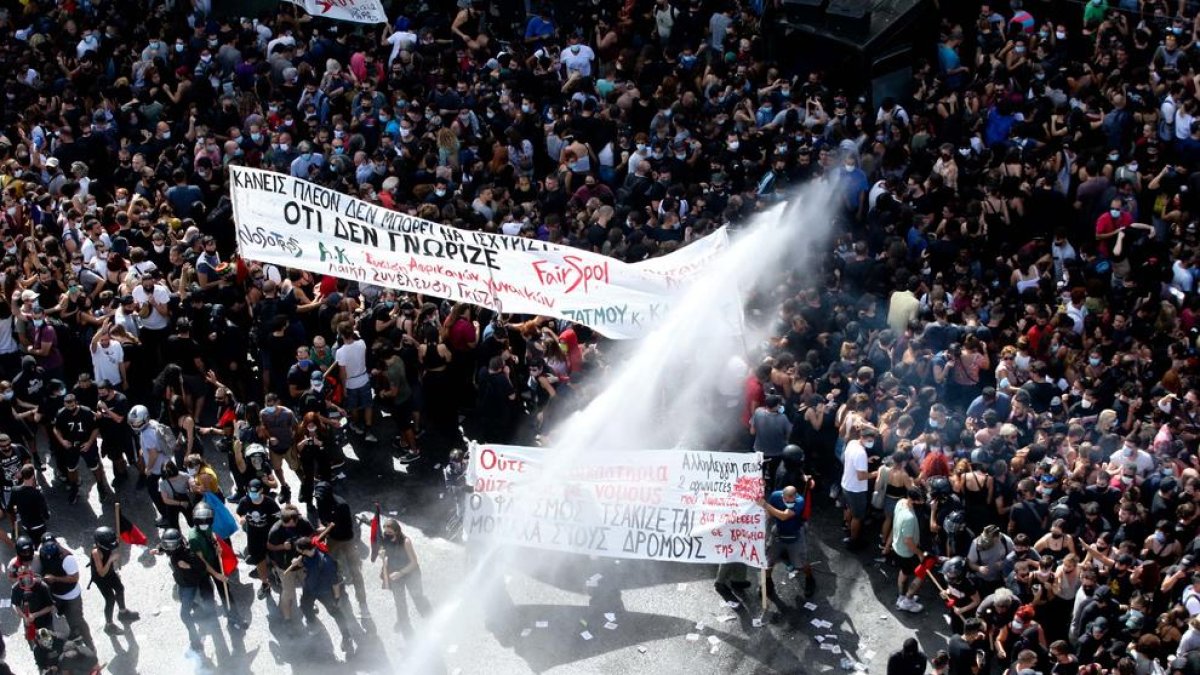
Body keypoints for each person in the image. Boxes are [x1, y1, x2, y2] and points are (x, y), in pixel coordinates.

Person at [287, 536, 356, 655]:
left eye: (299, 550)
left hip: (325, 592)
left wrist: (337, 597)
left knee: (335, 613)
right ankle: (312, 622)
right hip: (309, 589)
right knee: (305, 606)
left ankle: (347, 637)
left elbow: (335, 582)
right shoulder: (305, 556)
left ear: (305, 550)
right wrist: (297, 562)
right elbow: (303, 562)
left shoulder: (326, 562)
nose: (298, 552)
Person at [312, 482, 368, 619]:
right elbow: (321, 517)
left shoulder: (341, 505)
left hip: (346, 539)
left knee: (355, 572)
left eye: (321, 497)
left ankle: (363, 605)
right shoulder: (320, 500)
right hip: (331, 538)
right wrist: (323, 527)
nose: (319, 499)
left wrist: (328, 529)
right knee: (327, 566)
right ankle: (335, 592)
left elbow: (347, 528)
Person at [33, 534, 93, 651]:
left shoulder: (67, 558)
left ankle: (89, 643)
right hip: (55, 594)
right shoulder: (42, 551)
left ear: (57, 543)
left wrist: (55, 578)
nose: (49, 549)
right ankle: (74, 635)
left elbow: (74, 578)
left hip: (71, 596)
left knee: (78, 620)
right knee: (63, 616)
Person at [757, 484, 817, 600]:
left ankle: (810, 579)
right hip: (778, 535)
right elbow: (769, 513)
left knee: (801, 563)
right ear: (782, 495)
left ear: (795, 496)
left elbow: (784, 516)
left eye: (791, 500)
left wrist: (765, 504)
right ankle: (768, 582)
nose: (787, 502)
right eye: (785, 499)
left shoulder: (799, 502)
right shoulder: (775, 496)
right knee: (768, 562)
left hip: (794, 536)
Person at [380, 518, 432, 636]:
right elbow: (383, 550)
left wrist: (401, 573)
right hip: (394, 573)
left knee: (417, 596)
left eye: (390, 533)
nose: (387, 535)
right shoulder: (385, 538)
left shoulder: (406, 542)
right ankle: (403, 621)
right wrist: (381, 554)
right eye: (386, 532)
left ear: (396, 531)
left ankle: (429, 616)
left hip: (410, 572)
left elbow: (414, 562)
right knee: (399, 601)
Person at [88, 526, 139, 635]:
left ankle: (123, 613)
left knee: (120, 589)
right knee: (110, 599)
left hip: (110, 572)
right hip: (101, 578)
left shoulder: (107, 546)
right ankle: (109, 625)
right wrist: (111, 559)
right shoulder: (96, 552)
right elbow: (101, 572)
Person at [236, 479, 281, 601]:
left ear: (261, 490)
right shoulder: (245, 501)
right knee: (259, 560)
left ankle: (278, 574)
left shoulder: (269, 503)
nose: (252, 494)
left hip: (269, 536)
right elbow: (238, 512)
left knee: (275, 557)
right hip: (254, 537)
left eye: (255, 491)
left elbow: (279, 517)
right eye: (250, 491)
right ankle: (265, 583)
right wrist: (240, 518)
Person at [891, 487, 929, 614]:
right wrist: (919, 554)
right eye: (921, 500)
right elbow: (908, 541)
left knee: (904, 572)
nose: (923, 502)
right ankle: (907, 601)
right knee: (921, 574)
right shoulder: (910, 518)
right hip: (907, 552)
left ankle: (901, 597)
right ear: (914, 501)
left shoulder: (900, 502)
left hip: (897, 547)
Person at [841, 425, 879, 548]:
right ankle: (854, 540)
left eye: (872, 441)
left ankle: (847, 526)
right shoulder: (861, 453)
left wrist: (866, 460)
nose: (871, 443)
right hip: (856, 489)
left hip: (846, 484)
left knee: (848, 508)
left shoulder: (852, 443)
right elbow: (861, 476)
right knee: (857, 517)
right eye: (869, 440)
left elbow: (853, 461)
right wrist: (876, 473)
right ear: (862, 438)